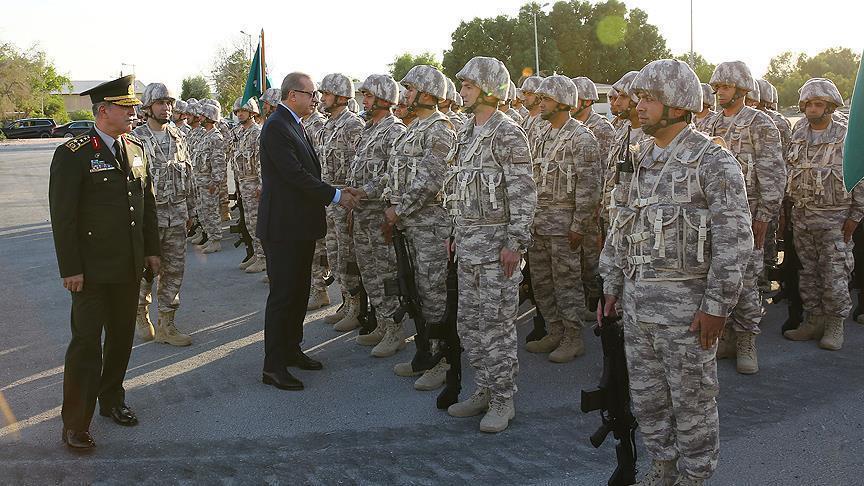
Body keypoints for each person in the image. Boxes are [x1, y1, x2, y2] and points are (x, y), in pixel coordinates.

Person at [600, 59, 753, 486]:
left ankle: (694, 477)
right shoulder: (639, 159)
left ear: (678, 105)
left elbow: (734, 242)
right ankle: (662, 469)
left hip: (688, 316)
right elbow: (621, 225)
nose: (639, 106)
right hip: (637, 308)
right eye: (639, 97)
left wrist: (718, 306)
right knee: (648, 401)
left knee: (693, 402)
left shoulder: (713, 162)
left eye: (649, 98)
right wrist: (611, 285)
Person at [49, 75, 161, 450]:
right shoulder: (73, 153)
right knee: (85, 344)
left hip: (127, 265)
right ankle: (75, 423)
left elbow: (145, 207)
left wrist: (151, 249)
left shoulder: (136, 148)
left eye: (133, 107)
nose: (134, 113)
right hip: (91, 270)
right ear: (103, 111)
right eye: (126, 108)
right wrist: (71, 268)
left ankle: (112, 399)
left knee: (121, 339)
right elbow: (63, 217)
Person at [445, 56, 536, 433]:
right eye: (462, 86)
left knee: (496, 326)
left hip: (498, 249)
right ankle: (484, 387)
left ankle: (503, 399)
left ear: (487, 89)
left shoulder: (508, 133)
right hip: (468, 245)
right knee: (468, 325)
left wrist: (515, 242)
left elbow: (523, 194)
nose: (462, 91)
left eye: (468, 86)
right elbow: (457, 188)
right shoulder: (466, 132)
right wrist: (454, 232)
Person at [256, 72, 359, 391]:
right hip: (283, 228)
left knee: (299, 293)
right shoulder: (276, 126)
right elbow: (295, 175)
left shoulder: (293, 123)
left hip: (298, 226)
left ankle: (291, 349)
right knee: (283, 296)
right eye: (310, 93)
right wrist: (337, 196)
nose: (315, 98)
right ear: (292, 96)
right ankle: (273, 365)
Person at [706, 61, 784, 375]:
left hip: (750, 216)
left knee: (748, 281)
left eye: (724, 88)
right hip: (716, 216)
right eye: (716, 88)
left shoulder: (759, 123)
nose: (718, 93)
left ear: (740, 90)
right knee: (718, 278)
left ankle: (746, 340)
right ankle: (724, 337)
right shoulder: (710, 125)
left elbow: (773, 174)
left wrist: (765, 216)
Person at [385, 65, 456, 387]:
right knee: (416, 290)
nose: (406, 96)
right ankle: (425, 351)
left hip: (430, 225)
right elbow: (396, 172)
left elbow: (430, 180)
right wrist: (391, 201)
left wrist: (398, 209)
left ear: (427, 94)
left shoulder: (440, 130)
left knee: (434, 292)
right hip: (410, 224)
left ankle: (442, 360)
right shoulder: (413, 128)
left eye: (410, 90)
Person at [524, 75, 602, 362]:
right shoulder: (540, 134)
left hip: (564, 227)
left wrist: (579, 225)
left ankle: (573, 337)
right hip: (539, 224)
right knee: (542, 283)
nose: (540, 103)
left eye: (545, 99)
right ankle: (554, 330)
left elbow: (590, 185)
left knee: (567, 284)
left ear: (562, 102)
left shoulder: (581, 137)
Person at [783, 78, 861, 350]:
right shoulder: (799, 132)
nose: (812, 109)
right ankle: (813, 320)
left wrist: (856, 215)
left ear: (830, 107)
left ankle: (834, 325)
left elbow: (858, 177)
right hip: (803, 214)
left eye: (819, 104)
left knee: (834, 272)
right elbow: (789, 170)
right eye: (808, 104)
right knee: (808, 272)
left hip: (835, 217)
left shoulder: (845, 134)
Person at [347, 75, 407, 355]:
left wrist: (364, 191)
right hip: (362, 214)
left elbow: (393, 174)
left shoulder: (394, 130)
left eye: (369, 96)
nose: (364, 101)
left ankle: (395, 329)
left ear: (384, 99)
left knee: (386, 273)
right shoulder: (370, 129)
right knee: (369, 271)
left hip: (379, 215)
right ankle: (382, 322)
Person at [132, 83, 194, 347]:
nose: (167, 108)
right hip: (149, 219)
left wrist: (191, 210)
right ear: (148, 108)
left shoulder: (179, 137)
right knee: (145, 271)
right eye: (160, 103)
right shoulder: (135, 140)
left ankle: (167, 324)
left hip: (177, 215)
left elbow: (188, 175)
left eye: (169, 103)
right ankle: (139, 312)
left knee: (174, 271)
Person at [317, 73, 365, 332]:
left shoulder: (352, 125)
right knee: (335, 257)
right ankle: (346, 302)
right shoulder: (328, 125)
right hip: (330, 200)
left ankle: (357, 307)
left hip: (345, 200)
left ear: (341, 96)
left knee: (348, 257)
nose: (322, 97)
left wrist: (353, 204)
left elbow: (359, 168)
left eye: (326, 93)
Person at [571, 76, 615, 320]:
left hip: (594, 203)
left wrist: (600, 203)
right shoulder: (569, 127)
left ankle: (594, 300)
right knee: (577, 257)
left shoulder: (601, 128)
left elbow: (607, 168)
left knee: (592, 257)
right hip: (575, 201)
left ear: (586, 101)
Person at [304, 93, 333, 308]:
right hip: (315, 192)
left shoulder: (319, 124)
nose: (322, 99)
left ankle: (321, 288)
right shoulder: (309, 124)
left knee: (329, 249)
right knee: (318, 246)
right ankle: (318, 289)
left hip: (327, 192)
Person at [232, 97, 267, 274]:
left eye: (243, 111)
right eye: (237, 112)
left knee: (257, 222)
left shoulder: (257, 133)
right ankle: (256, 252)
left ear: (252, 113)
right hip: (244, 183)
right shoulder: (240, 133)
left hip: (254, 184)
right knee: (249, 223)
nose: (239, 114)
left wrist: (261, 185)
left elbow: (261, 162)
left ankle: (263, 258)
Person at [194, 100, 227, 254]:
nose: (199, 118)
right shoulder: (204, 135)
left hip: (209, 182)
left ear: (209, 117)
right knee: (203, 211)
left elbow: (218, 162)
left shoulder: (215, 137)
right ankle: (209, 237)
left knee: (211, 211)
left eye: (202, 116)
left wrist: (216, 181)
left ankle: (216, 240)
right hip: (200, 181)